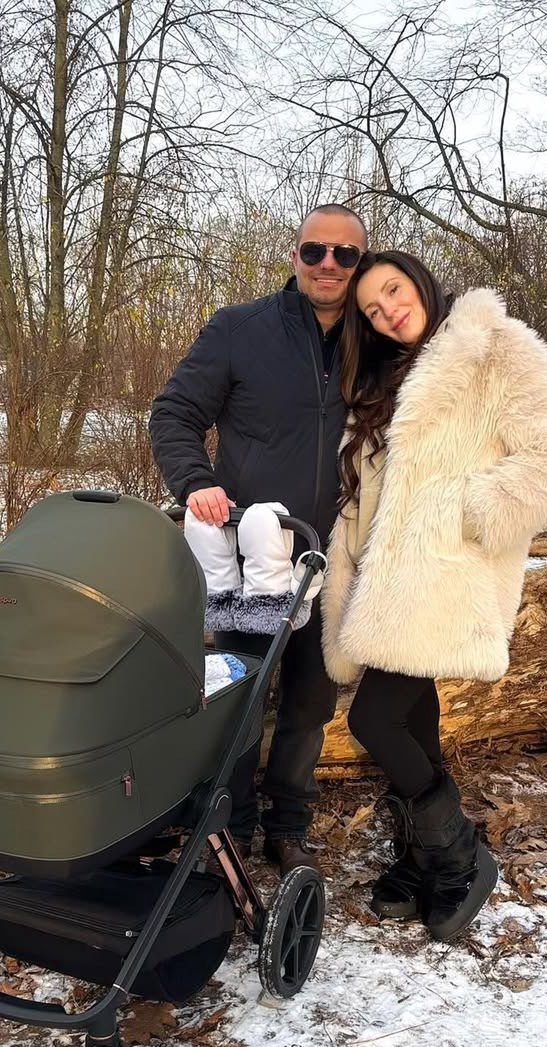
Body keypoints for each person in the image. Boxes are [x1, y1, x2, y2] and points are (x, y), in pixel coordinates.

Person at [321, 250, 547, 940]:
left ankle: (459, 857)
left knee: (373, 722)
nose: (388, 310)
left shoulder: (497, 346)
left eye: (392, 290)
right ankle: (419, 863)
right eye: (373, 311)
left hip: (447, 568)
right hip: (389, 577)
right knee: (411, 721)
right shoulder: (389, 376)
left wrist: (475, 509)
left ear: (417, 277)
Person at [148, 204, 369, 874]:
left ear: (361, 264)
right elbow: (175, 412)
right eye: (314, 251)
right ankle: (229, 828)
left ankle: (288, 827)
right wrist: (195, 482)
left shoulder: (377, 342)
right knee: (239, 697)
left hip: (338, 556)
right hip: (253, 559)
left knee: (309, 702)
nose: (328, 264)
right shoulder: (239, 329)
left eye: (345, 255)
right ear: (294, 254)